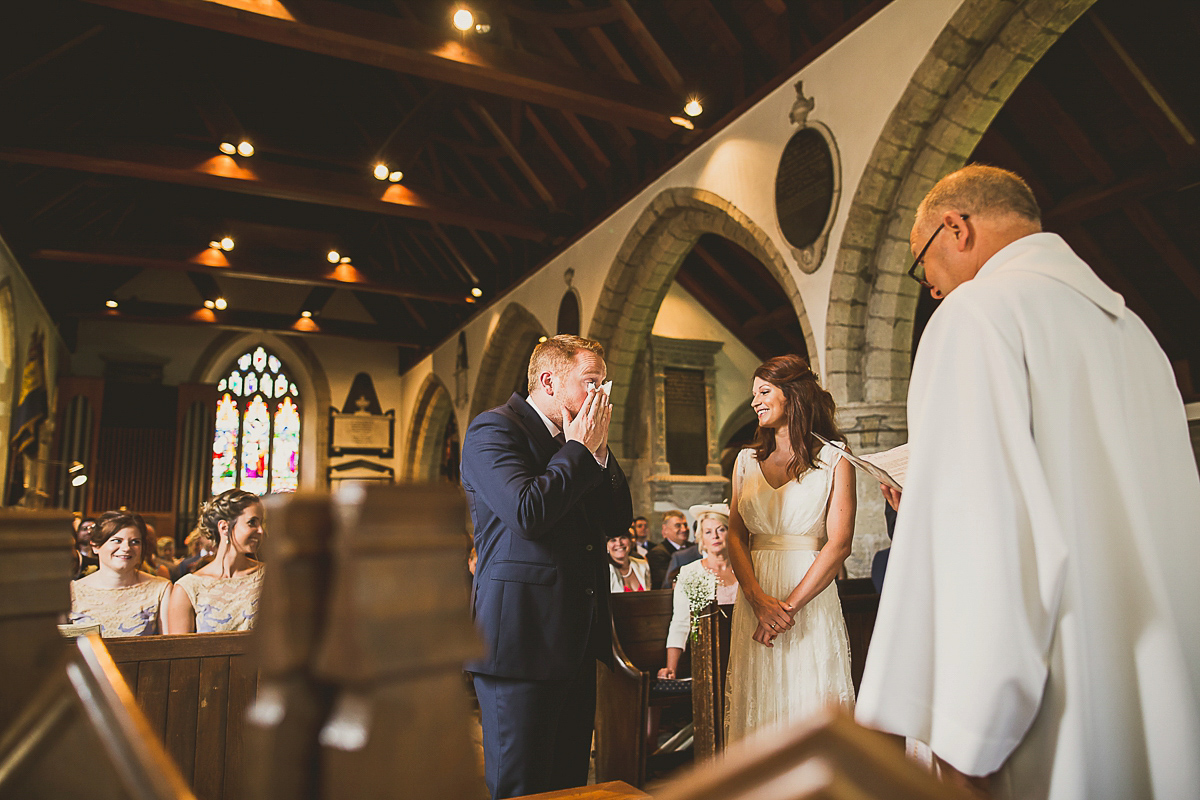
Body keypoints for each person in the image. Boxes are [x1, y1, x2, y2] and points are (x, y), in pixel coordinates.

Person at [855, 165, 1200, 799]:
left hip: (1047, 717)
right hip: (1161, 700)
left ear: (957, 228)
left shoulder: (976, 317)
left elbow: (982, 548)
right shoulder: (1137, 335)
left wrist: (962, 734)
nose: (929, 288)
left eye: (921, 262)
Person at [461, 334, 632, 799]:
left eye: (603, 384)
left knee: (568, 785)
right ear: (549, 380)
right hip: (520, 639)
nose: (601, 396)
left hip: (575, 639)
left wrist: (597, 452)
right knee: (522, 786)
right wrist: (578, 449)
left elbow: (617, 522)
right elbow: (527, 513)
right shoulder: (493, 430)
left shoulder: (580, 442)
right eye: (591, 382)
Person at [723, 354, 857, 745]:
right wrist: (757, 600)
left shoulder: (834, 458)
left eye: (764, 391)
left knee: (808, 695)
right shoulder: (746, 460)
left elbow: (839, 544)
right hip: (756, 595)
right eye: (753, 394)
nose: (754, 402)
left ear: (794, 394)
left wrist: (786, 609)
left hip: (809, 597)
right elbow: (735, 534)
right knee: (759, 703)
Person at [657, 503, 738, 680]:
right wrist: (671, 667)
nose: (715, 536)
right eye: (708, 532)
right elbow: (680, 622)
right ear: (701, 538)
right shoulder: (690, 572)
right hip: (708, 654)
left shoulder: (744, 568)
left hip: (744, 649)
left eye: (721, 529)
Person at [168, 489, 266, 633]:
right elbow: (179, 652)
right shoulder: (188, 588)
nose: (261, 531)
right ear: (224, 527)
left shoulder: (270, 576)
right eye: (252, 523)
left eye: (261, 523)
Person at [68, 510, 172, 636]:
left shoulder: (161, 589)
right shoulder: (73, 592)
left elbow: (168, 646)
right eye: (117, 540)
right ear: (95, 546)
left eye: (135, 542)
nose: (126, 548)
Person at [645, 510, 690, 589]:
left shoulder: (694, 549)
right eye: (678, 525)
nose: (684, 529)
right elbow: (668, 581)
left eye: (685, 525)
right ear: (665, 529)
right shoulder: (657, 553)